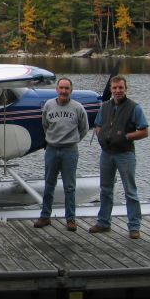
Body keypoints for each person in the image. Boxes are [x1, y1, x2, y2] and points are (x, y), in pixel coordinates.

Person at [89, 75, 149, 239]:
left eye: (120, 88)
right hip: (107, 154)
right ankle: (103, 222)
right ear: (111, 89)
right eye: (114, 88)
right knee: (105, 190)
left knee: (130, 191)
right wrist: (101, 135)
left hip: (125, 154)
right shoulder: (105, 106)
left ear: (125, 88)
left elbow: (144, 131)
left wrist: (127, 137)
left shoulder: (134, 108)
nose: (117, 91)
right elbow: (98, 124)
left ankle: (134, 227)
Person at [34, 77, 89, 232]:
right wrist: (52, 140)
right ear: (57, 89)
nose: (64, 91)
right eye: (61, 88)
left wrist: (72, 140)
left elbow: (84, 129)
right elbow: (45, 125)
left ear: (71, 90)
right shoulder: (48, 105)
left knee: (69, 187)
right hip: (51, 149)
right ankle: (45, 216)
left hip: (70, 151)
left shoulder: (78, 108)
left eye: (67, 88)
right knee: (49, 184)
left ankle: (70, 219)